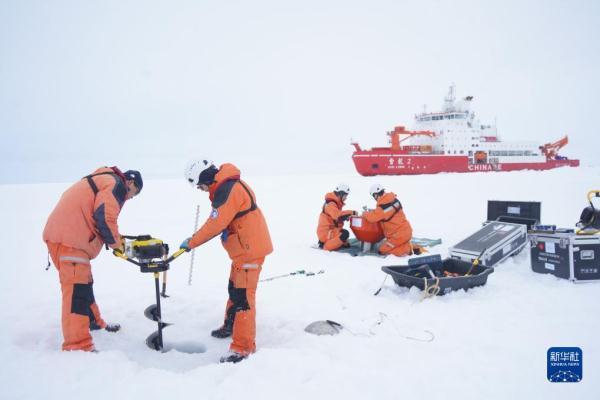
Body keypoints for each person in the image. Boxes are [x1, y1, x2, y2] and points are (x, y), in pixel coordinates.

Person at [180, 158, 273, 363]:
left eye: (200, 185)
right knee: (234, 288)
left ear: (205, 177)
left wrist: (192, 242)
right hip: (242, 250)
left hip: (250, 250)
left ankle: (242, 347)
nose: (202, 189)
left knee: (243, 298)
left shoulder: (227, 189)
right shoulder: (226, 184)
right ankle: (231, 326)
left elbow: (215, 223)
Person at [43, 166, 143, 351]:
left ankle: (94, 323)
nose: (129, 198)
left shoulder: (104, 180)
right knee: (77, 292)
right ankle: (78, 345)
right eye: (132, 194)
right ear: (130, 183)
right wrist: (118, 245)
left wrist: (115, 240)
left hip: (67, 238)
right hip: (69, 240)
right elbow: (105, 217)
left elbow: (99, 215)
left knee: (84, 283)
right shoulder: (116, 184)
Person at [363, 183, 421, 256]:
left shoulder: (383, 207)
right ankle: (408, 245)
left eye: (374, 197)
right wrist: (374, 211)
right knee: (391, 245)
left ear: (375, 195)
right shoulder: (392, 199)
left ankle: (408, 249)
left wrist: (365, 213)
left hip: (398, 235)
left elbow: (372, 218)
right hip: (405, 231)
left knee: (383, 250)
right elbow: (385, 212)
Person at [317, 183, 357, 251]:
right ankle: (326, 246)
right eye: (345, 196)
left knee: (345, 240)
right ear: (340, 194)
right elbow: (337, 215)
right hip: (326, 232)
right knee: (344, 234)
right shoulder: (331, 204)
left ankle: (327, 242)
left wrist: (345, 217)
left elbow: (336, 218)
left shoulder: (334, 203)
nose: (346, 198)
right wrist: (351, 212)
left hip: (330, 230)